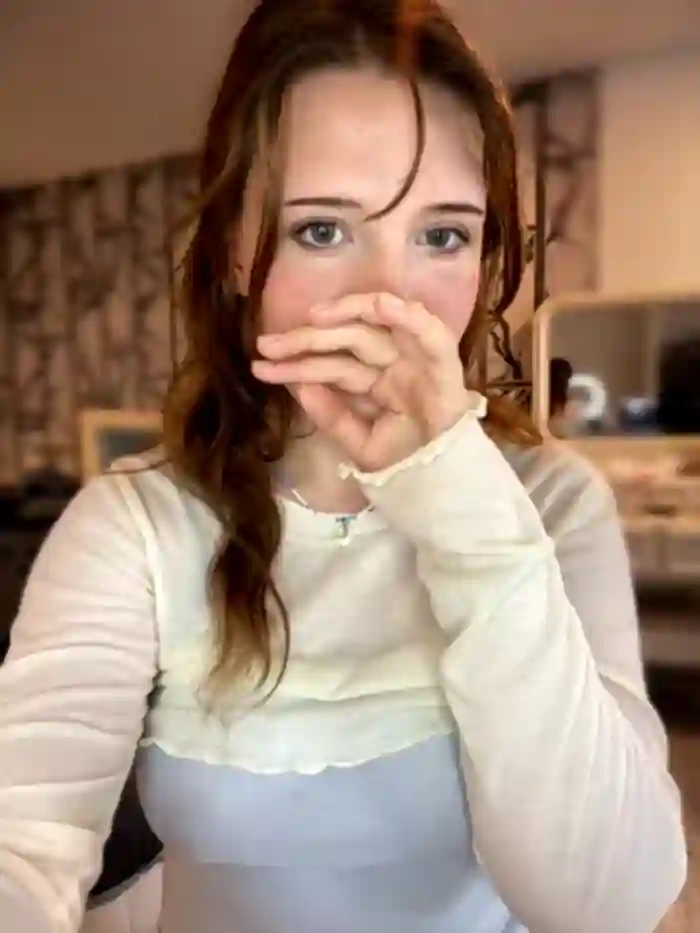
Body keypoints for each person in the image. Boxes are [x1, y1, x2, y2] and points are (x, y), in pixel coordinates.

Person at [0, 1, 687, 932]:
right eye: (323, 230)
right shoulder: (138, 521)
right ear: (236, 252)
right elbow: (24, 834)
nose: (386, 302)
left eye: (442, 235)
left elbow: (609, 902)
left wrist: (458, 501)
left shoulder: (554, 501)